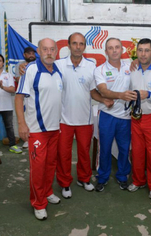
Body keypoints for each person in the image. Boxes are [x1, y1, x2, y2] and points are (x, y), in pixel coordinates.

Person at [55, 32, 112, 198]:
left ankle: (84, 179)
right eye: (74, 43)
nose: (78, 47)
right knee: (64, 154)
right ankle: (65, 184)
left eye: (81, 44)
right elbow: (41, 66)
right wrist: (24, 65)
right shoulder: (58, 65)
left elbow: (93, 92)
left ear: (84, 46)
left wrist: (104, 100)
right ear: (68, 45)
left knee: (84, 152)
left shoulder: (91, 67)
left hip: (85, 119)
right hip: (63, 119)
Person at [15, 38, 63, 220]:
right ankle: (38, 202)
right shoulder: (30, 70)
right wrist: (21, 123)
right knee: (38, 168)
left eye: (52, 49)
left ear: (57, 51)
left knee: (50, 165)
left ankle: (47, 192)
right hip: (37, 130)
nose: (49, 52)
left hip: (54, 129)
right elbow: (19, 98)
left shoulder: (58, 70)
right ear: (38, 51)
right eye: (45, 49)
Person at [94, 37, 137, 192]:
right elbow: (103, 91)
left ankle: (122, 176)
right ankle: (103, 177)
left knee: (124, 148)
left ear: (122, 49)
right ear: (106, 51)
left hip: (125, 117)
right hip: (107, 115)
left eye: (117, 47)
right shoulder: (99, 70)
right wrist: (121, 96)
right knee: (104, 148)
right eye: (110, 48)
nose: (114, 50)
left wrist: (137, 60)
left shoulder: (130, 67)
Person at [127, 38, 151, 200]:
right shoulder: (132, 67)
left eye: (146, 50)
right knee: (136, 151)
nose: (143, 54)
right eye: (140, 50)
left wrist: (149, 94)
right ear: (136, 52)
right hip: (136, 116)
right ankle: (138, 181)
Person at [15, 46, 37, 149]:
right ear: (24, 55)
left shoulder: (39, 66)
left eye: (33, 53)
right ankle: (27, 139)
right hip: (24, 96)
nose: (31, 55)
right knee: (26, 117)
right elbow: (18, 79)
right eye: (29, 53)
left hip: (34, 100)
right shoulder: (20, 67)